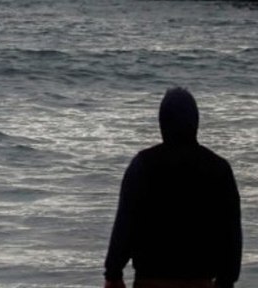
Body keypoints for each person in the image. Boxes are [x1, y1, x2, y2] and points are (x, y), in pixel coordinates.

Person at [103, 87, 242, 288]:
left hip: (150, 282)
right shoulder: (218, 169)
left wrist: (113, 273)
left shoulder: (142, 165)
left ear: (162, 123)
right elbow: (231, 234)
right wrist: (227, 280)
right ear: (196, 122)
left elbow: (125, 225)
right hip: (200, 282)